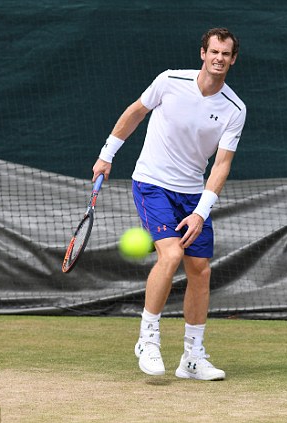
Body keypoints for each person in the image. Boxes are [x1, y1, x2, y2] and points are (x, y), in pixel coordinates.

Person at [92, 28, 246, 381]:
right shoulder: (170, 81)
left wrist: (200, 212)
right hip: (152, 183)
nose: (219, 58)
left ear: (233, 59)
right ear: (203, 54)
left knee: (200, 270)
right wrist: (106, 154)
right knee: (172, 254)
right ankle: (147, 339)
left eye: (225, 54)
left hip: (192, 194)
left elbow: (221, 165)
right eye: (214, 52)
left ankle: (192, 358)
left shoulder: (235, 108)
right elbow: (136, 112)